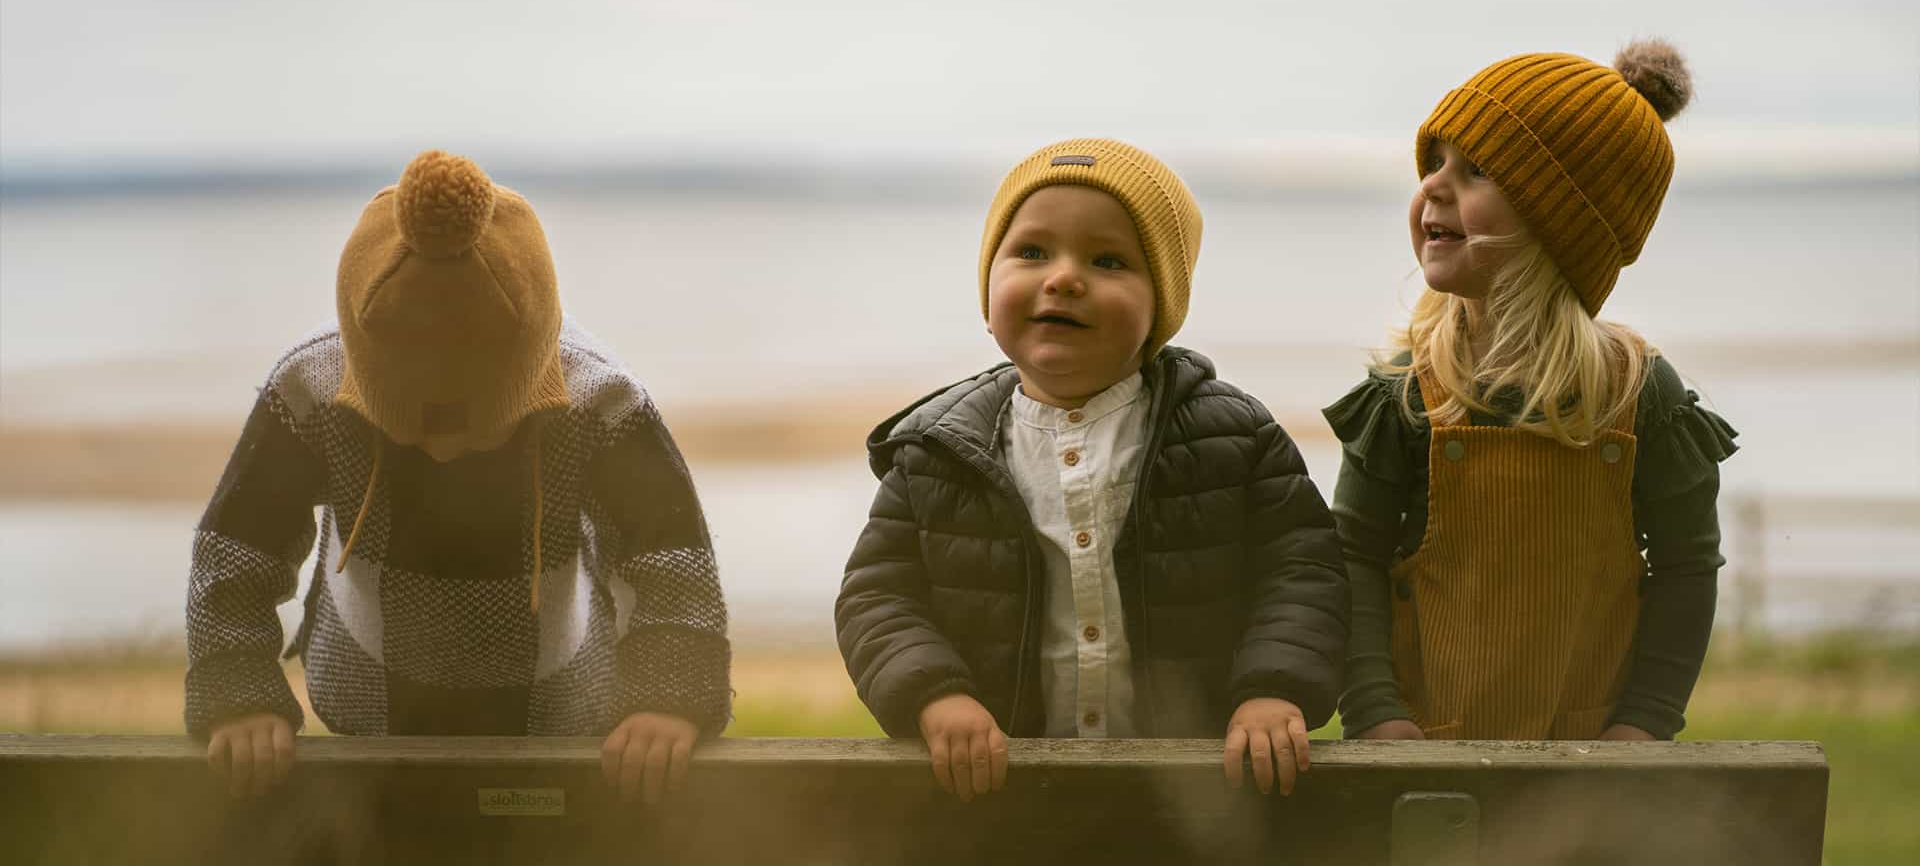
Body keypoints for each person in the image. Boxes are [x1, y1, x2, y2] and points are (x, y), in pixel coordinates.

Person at [184, 149, 731, 804]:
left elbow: (671, 562)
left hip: (561, 714)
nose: (441, 451)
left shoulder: (598, 399)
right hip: (364, 708)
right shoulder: (311, 386)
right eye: (408, 424)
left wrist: (668, 696)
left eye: (473, 423)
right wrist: (238, 689)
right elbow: (237, 551)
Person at [835, 138, 1348, 800]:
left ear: (1160, 310)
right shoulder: (939, 450)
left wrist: (1273, 690)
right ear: (988, 289)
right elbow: (879, 595)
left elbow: (1302, 574)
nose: (1063, 278)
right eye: (1032, 252)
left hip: (1202, 792)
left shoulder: (1235, 435)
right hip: (1001, 790)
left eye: (1108, 261)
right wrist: (936, 696)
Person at [1326, 40, 1736, 742]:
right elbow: (1352, 558)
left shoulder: (1640, 397)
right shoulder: (1406, 393)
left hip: (1588, 764)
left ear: (1563, 223)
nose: (1433, 187)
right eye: (1435, 163)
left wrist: (1644, 722)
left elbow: (1685, 567)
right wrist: (1374, 712)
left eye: (1477, 170)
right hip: (1424, 754)